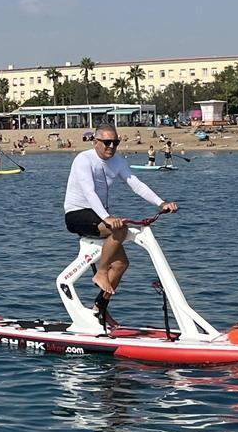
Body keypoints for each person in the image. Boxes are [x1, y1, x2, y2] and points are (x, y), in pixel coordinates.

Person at [62, 125, 178, 316]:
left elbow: (137, 185)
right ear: (95, 142)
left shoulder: (118, 162)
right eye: (106, 142)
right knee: (120, 229)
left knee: (121, 264)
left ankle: (99, 309)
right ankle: (101, 272)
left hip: (99, 215)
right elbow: (88, 192)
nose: (111, 146)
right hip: (77, 214)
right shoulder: (83, 159)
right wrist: (107, 217)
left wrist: (161, 203)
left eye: (115, 142)